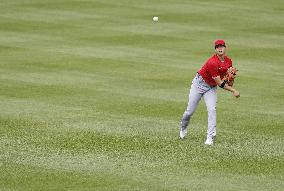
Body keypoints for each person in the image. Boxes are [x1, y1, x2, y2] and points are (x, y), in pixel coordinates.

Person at [179, 39, 240, 145]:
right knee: (189, 112)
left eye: (222, 46)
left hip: (211, 87)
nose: (220, 48)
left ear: (225, 48)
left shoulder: (228, 61)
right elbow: (220, 83)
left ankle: (209, 137)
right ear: (215, 49)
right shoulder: (212, 62)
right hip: (198, 85)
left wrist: (232, 78)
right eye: (217, 47)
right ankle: (183, 127)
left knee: (212, 110)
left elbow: (228, 82)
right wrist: (233, 91)